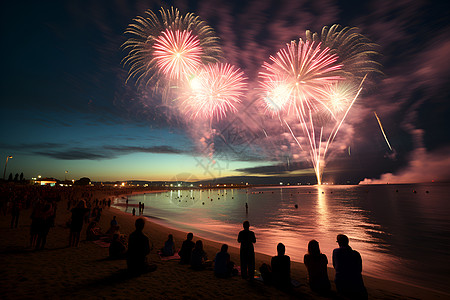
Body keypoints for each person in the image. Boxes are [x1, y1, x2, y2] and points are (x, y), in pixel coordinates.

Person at [333, 234, 368, 299]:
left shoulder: (336, 252)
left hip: (339, 281)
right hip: (353, 281)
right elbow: (359, 269)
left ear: (339, 243)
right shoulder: (356, 254)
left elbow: (335, 266)